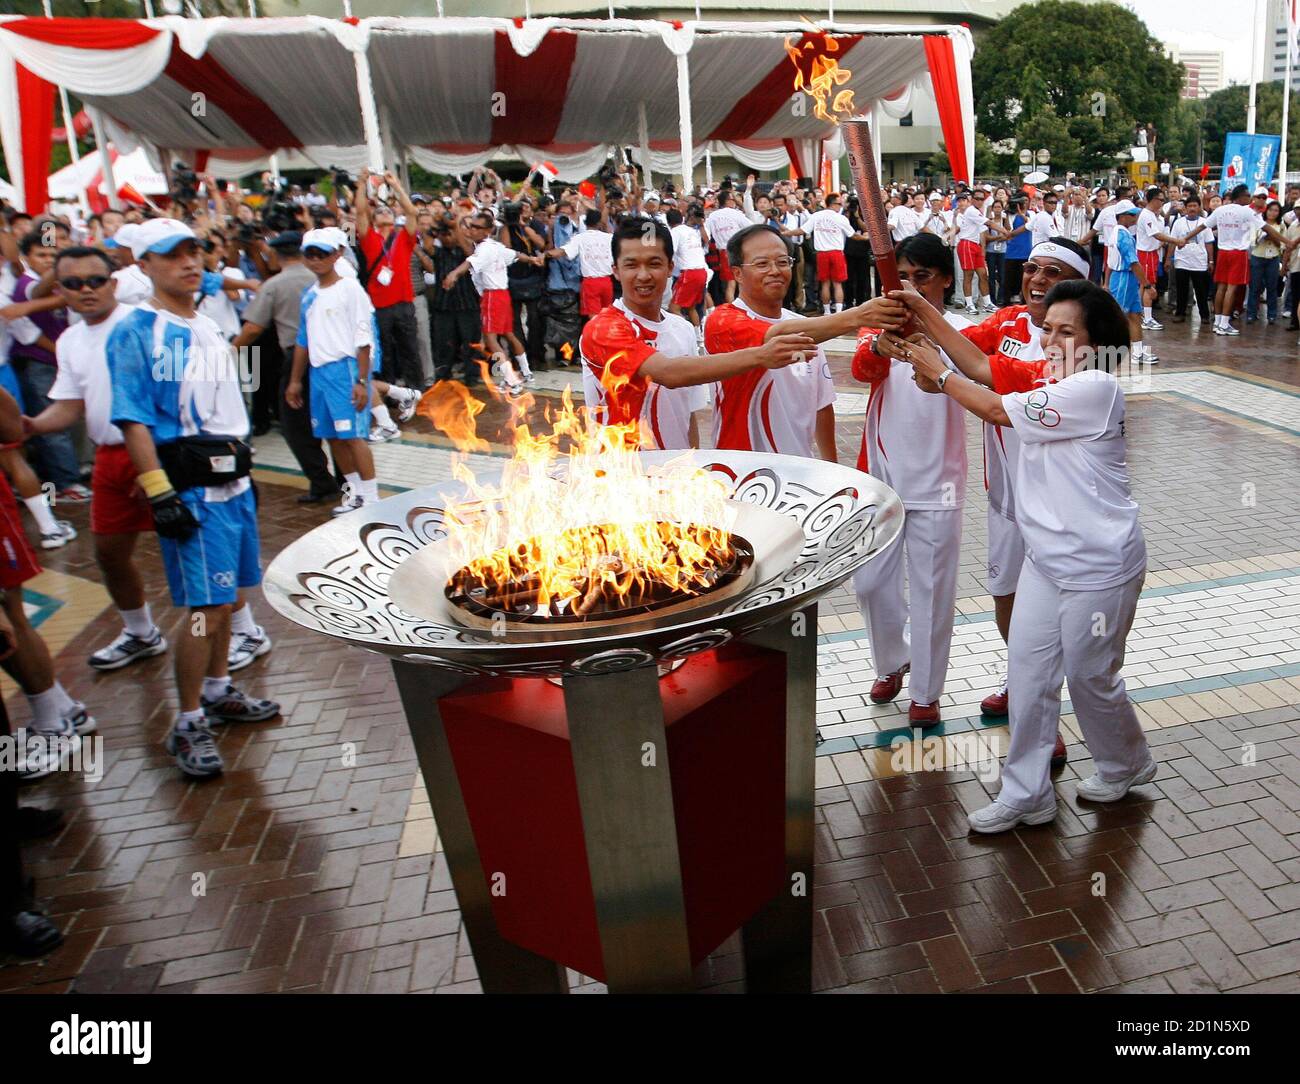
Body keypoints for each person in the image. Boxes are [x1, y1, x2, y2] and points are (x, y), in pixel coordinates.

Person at [891, 280, 1153, 833]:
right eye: (1047, 329)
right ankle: (1026, 792)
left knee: (1090, 677)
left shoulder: (1095, 387)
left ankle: (1126, 762)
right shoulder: (1047, 379)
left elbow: (991, 406)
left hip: (1099, 565)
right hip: (1044, 560)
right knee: (1029, 676)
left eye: (1066, 331)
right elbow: (983, 367)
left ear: (1095, 340)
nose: (1050, 340)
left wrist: (937, 375)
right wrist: (923, 312)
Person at [892, 237, 1091, 769]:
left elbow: (980, 375)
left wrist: (942, 370)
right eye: (1031, 269)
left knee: (1048, 615)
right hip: (1006, 501)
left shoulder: (1075, 352)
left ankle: (1042, 714)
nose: (1037, 279)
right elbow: (958, 344)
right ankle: (1021, 677)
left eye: (1053, 272)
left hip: (1056, 509)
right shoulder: (1003, 322)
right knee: (1007, 597)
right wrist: (910, 321)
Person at [108, 218, 281, 779]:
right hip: (191, 487)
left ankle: (218, 689)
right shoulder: (136, 330)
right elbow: (132, 417)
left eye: (193, 251)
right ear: (143, 265)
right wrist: (159, 492)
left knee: (227, 601)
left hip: (232, 480)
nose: (189, 262)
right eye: (171, 255)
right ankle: (186, 722)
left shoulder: (205, 321)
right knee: (204, 609)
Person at [21, 245, 170, 674]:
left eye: (95, 280)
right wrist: (31, 426)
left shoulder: (149, 325)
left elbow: (177, 398)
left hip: (162, 454)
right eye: (73, 283)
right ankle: (141, 632)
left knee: (189, 550)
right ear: (61, 290)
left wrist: (156, 464)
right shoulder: (69, 340)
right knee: (108, 551)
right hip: (109, 456)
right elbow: (69, 406)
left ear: (114, 283)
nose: (86, 290)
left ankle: (240, 627)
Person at [849, 232, 969, 726]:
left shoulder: (960, 331)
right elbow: (860, 369)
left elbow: (981, 377)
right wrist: (881, 342)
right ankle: (892, 661)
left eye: (922, 276)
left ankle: (926, 691)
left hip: (939, 482)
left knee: (933, 589)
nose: (911, 285)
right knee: (870, 584)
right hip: (882, 479)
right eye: (904, 276)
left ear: (943, 279)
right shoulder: (879, 325)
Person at [580, 219, 814, 451]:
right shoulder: (603, 328)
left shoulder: (681, 328)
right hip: (620, 476)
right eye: (631, 265)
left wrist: (692, 464)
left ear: (671, 267)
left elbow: (687, 414)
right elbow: (669, 373)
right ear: (616, 271)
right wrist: (761, 356)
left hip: (675, 477)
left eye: (654, 263)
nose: (643, 275)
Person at [704, 223, 905, 460]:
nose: (775, 270)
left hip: (798, 474)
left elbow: (822, 404)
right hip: (740, 472)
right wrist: (859, 315)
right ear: (737, 273)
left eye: (782, 262)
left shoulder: (808, 328)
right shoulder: (721, 320)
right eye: (762, 264)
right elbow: (777, 334)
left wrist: (832, 470)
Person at [232, 230, 341, 505]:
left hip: (297, 357)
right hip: (333, 356)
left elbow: (254, 327)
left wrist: (229, 351)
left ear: (275, 254)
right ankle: (347, 480)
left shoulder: (275, 284)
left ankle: (322, 482)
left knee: (296, 426)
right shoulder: (324, 279)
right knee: (336, 423)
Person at [285, 228, 383, 517]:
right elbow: (303, 339)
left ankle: (373, 498)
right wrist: (294, 381)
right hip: (318, 374)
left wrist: (362, 380)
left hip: (345, 369)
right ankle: (354, 494)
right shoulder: (309, 295)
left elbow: (363, 337)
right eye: (310, 254)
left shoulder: (350, 289)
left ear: (337, 254)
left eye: (322, 254)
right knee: (333, 437)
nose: (315, 260)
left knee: (353, 436)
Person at [445, 211, 544, 394]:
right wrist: (532, 259)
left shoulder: (484, 249)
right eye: (471, 226)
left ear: (487, 231)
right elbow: (515, 254)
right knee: (509, 334)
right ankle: (527, 372)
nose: (472, 229)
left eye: (476, 227)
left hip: (492, 296)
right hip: (503, 295)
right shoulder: (494, 246)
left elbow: (469, 263)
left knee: (491, 339)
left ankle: (512, 380)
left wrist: (453, 274)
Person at [355, 169, 424, 388]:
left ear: (395, 218)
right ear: (374, 219)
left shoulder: (403, 236)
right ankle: (389, 391)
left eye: (388, 211)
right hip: (379, 305)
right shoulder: (369, 238)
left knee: (410, 349)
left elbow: (412, 212)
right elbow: (359, 212)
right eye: (380, 211)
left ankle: (417, 390)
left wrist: (396, 186)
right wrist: (361, 183)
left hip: (404, 302)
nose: (385, 213)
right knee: (383, 352)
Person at [1106, 200, 1156, 364]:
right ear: (1123, 217)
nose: (1135, 217)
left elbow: (1109, 261)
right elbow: (1134, 263)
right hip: (1123, 278)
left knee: (1134, 315)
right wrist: (1147, 286)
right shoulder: (1124, 236)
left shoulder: (1116, 233)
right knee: (1118, 316)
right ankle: (1108, 352)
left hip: (1122, 277)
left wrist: (1106, 282)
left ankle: (1138, 353)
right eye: (1132, 214)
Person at [1206, 184, 1257, 335]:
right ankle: (1224, 324)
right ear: (1240, 196)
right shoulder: (1247, 211)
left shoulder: (1221, 210)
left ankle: (1217, 322)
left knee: (1221, 287)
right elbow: (1266, 227)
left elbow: (1203, 225)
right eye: (1247, 195)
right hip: (1238, 253)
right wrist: (1287, 242)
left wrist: (1184, 239)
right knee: (1232, 288)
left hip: (1223, 252)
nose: (1249, 198)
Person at [805, 192, 859, 315]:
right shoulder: (840, 218)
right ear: (832, 204)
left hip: (822, 253)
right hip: (836, 253)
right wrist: (867, 237)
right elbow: (853, 235)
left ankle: (827, 312)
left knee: (825, 284)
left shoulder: (816, 216)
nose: (841, 206)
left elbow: (803, 230)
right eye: (839, 204)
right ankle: (839, 312)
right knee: (837, 284)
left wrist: (787, 233)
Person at [1168, 195, 1214, 324]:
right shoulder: (1178, 222)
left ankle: (1204, 315)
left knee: (1201, 291)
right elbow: (1172, 241)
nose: (1192, 208)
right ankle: (1180, 313)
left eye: (1195, 206)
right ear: (1185, 208)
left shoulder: (1205, 223)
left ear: (1199, 207)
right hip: (1181, 261)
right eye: (1189, 206)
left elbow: (1209, 243)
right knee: (1181, 289)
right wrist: (1168, 259)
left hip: (1199, 262)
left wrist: (1211, 261)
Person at [1246, 200, 1289, 325]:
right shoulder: (1259, 223)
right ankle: (1251, 314)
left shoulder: (1281, 225)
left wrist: (1274, 237)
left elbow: (1282, 245)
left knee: (1272, 287)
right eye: (1270, 210)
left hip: (1273, 257)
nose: (1273, 213)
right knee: (1255, 286)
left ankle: (1271, 315)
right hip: (1257, 255)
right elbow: (1252, 241)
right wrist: (1263, 236)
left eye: (1276, 210)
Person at [705, 192, 754, 303]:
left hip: (723, 253)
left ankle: (732, 310)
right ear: (727, 201)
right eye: (732, 199)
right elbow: (751, 227)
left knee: (730, 284)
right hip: (738, 250)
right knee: (741, 282)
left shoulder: (712, 216)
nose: (734, 202)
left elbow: (706, 235)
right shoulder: (735, 213)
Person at [666, 206, 709, 330]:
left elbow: (670, 251)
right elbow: (706, 241)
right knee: (691, 307)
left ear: (669, 222)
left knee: (674, 308)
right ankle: (699, 339)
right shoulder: (693, 231)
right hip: (701, 272)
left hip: (689, 273)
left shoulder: (675, 231)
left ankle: (687, 333)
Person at [953, 191, 995, 315]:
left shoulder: (977, 213)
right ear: (972, 200)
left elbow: (983, 231)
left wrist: (982, 249)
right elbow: (989, 223)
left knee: (982, 274)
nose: (979, 201)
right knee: (968, 275)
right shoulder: (970, 211)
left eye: (982, 199)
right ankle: (969, 304)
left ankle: (987, 303)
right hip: (965, 244)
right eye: (977, 198)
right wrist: (1005, 231)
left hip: (975, 245)